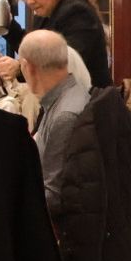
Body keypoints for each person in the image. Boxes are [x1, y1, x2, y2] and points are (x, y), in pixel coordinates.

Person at [12, 0, 112, 89]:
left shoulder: (77, 13)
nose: (29, 1)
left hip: (88, 99)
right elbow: (33, 50)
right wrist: (9, 27)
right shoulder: (45, 12)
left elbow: (62, 65)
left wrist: (20, 69)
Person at [19, 30, 89, 212]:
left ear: (28, 67)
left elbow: (52, 195)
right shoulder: (65, 97)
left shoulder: (65, 114)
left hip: (62, 222)